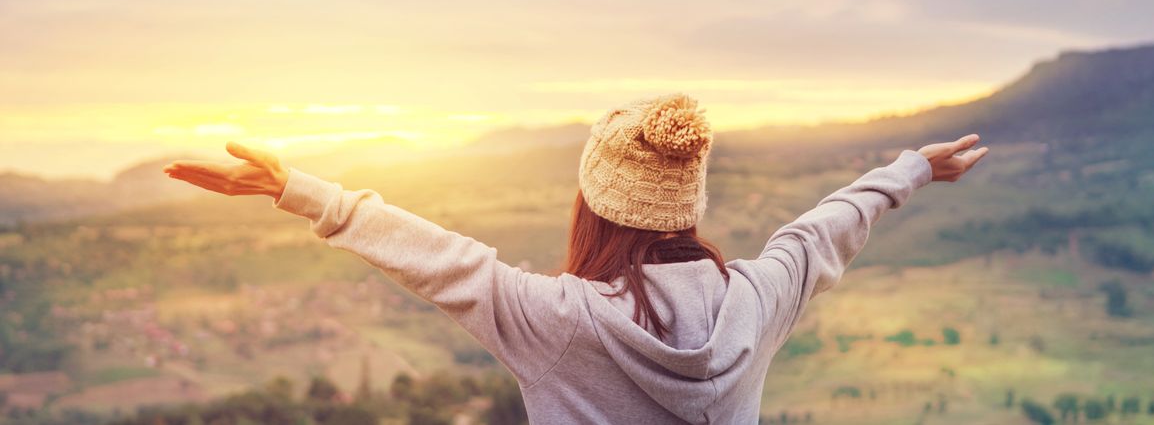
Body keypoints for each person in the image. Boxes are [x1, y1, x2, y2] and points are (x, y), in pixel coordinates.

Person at [164, 94, 988, 423]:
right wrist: (910, 169)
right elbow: (819, 230)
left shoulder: (559, 323)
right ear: (686, 206)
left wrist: (296, 189)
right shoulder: (756, 300)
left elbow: (439, 258)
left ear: (592, 206)